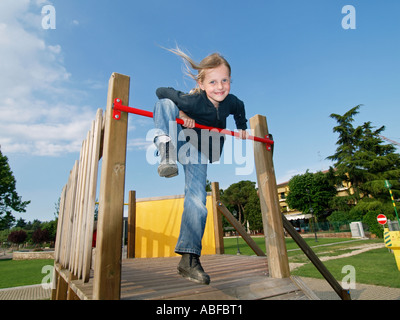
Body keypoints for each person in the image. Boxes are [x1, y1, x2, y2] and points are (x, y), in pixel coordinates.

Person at [153, 47, 248, 285]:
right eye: (213, 81)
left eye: (224, 80)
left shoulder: (230, 102)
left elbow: (240, 108)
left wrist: (242, 126)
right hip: (182, 140)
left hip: (201, 150)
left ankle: (188, 258)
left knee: (197, 202)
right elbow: (160, 91)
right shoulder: (194, 100)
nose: (219, 86)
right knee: (165, 104)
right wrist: (183, 110)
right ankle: (165, 150)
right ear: (202, 84)